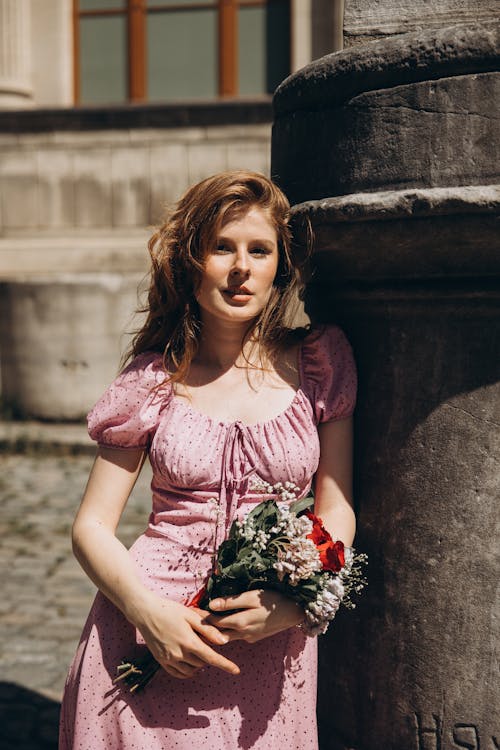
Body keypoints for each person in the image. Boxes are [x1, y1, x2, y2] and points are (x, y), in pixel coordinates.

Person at [59, 170, 357, 750]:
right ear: (191, 262)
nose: (241, 267)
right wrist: (149, 614)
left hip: (268, 650)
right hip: (145, 639)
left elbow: (338, 512)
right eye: (222, 247)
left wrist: (295, 607)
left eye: (259, 250)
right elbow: (91, 527)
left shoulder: (321, 362)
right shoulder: (152, 378)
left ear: (281, 266)